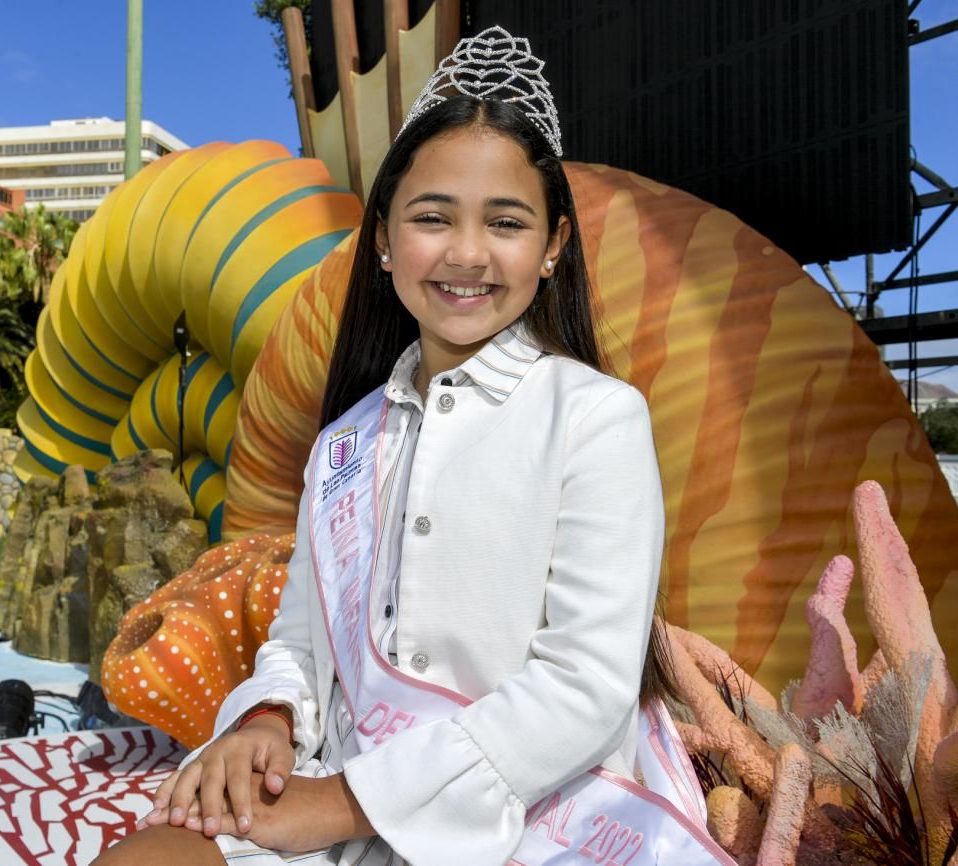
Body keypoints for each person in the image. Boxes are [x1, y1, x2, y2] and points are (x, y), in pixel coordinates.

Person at [96, 26, 731, 866]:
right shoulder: (345, 444)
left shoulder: (595, 417)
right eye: (433, 218)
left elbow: (586, 688)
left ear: (552, 249)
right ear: (387, 239)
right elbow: (298, 641)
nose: (467, 253)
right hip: (342, 797)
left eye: (506, 222)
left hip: (539, 815)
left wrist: (348, 804)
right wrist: (269, 719)